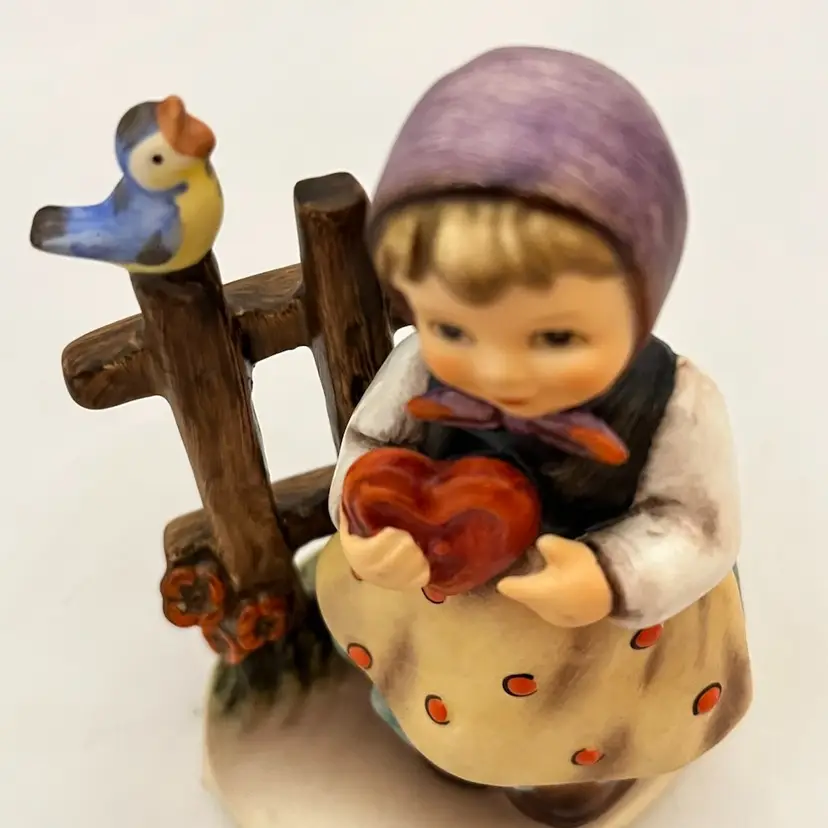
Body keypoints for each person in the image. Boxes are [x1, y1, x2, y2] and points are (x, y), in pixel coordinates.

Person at [313, 46, 752, 827]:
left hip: (592, 634)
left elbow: (700, 525)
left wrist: (611, 576)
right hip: (447, 589)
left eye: (554, 337)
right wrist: (365, 524)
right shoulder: (417, 370)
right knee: (435, 674)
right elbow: (369, 442)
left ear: (643, 301)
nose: (499, 371)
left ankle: (568, 777)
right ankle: (434, 729)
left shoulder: (676, 402)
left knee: (580, 711)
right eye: (454, 328)